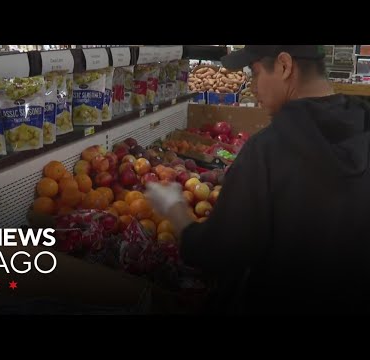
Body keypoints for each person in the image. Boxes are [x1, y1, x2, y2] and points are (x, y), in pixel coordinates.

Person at [145, 45, 370, 315]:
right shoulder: (364, 125)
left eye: (255, 73)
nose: (252, 87)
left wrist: (176, 212)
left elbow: (216, 254)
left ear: (285, 66)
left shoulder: (269, 150)